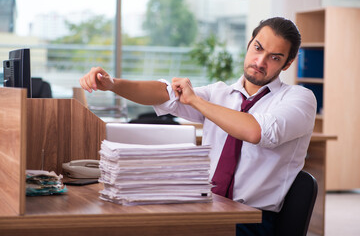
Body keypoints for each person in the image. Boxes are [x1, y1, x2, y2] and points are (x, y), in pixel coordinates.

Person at [79, 17, 317, 235]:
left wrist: (196, 101)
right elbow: (166, 94)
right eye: (258, 48)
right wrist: (113, 84)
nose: (260, 61)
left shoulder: (299, 98)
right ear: (249, 44)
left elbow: (256, 131)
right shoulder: (219, 94)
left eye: (275, 57)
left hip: (252, 219)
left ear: (287, 64)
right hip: (206, 207)